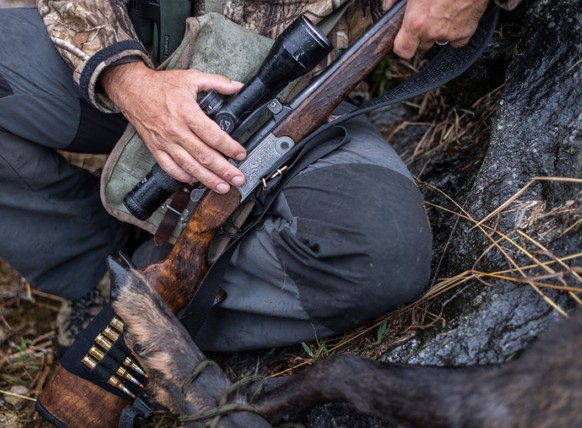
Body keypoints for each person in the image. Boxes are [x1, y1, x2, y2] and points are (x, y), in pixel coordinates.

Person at [0, 0, 505, 352]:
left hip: (308, 93)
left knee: (385, 255)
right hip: (130, 56)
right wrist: (129, 82)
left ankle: (162, 289)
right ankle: (98, 276)